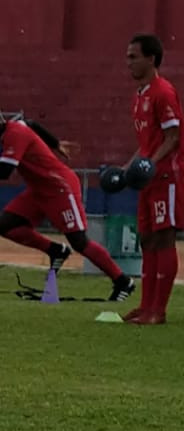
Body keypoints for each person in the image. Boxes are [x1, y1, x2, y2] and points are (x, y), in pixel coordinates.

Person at [0, 117, 135, 300]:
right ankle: (55, 250)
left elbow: (5, 170)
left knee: (79, 241)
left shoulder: (14, 134)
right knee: (5, 225)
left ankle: (123, 281)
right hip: (39, 189)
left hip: (60, 188)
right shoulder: (15, 128)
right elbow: (31, 123)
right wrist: (56, 143)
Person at [121, 33, 184, 326]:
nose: (129, 63)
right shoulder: (139, 96)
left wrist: (150, 162)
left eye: (133, 57)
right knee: (147, 239)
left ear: (151, 59)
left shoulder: (163, 92)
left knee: (163, 237)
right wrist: (128, 166)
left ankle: (158, 310)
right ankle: (146, 304)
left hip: (166, 176)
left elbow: (173, 137)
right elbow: (147, 141)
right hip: (147, 178)